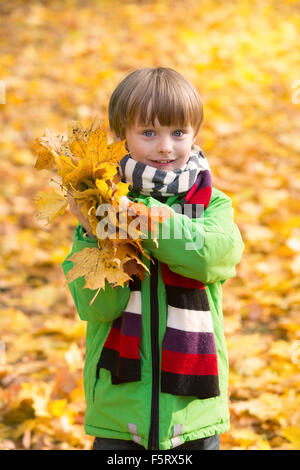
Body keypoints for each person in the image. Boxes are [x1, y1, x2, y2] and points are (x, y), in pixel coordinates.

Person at [62, 67, 244, 451]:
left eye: (178, 132)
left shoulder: (212, 204)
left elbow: (211, 258)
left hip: (193, 410)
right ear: (120, 137)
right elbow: (97, 306)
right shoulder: (101, 211)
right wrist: (100, 232)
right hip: (118, 408)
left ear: (194, 134)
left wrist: (143, 220)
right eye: (148, 133)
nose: (165, 146)